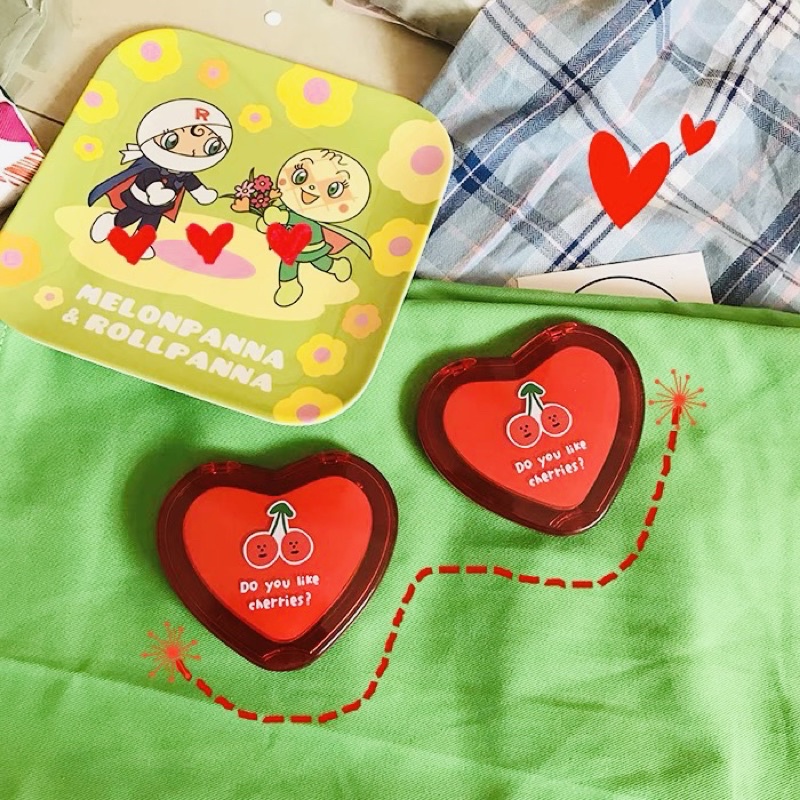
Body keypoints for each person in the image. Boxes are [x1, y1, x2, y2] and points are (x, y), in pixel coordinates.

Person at [88, 99, 233, 260]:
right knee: (127, 217)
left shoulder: (185, 174)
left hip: (160, 207)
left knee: (150, 225)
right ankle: (110, 222)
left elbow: (193, 185)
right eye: (172, 141)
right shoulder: (151, 169)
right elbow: (151, 182)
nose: (191, 151)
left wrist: (202, 193)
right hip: (139, 200)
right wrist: (157, 192)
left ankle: (140, 244)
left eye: (211, 146)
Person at [256, 148, 372, 307]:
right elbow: (278, 217)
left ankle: (336, 266)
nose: (312, 187)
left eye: (333, 189)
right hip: (291, 247)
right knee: (292, 262)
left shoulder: (305, 215)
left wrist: (282, 218)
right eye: (301, 177)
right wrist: (268, 222)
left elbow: (293, 219)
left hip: (313, 245)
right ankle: (290, 285)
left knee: (319, 261)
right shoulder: (288, 205)